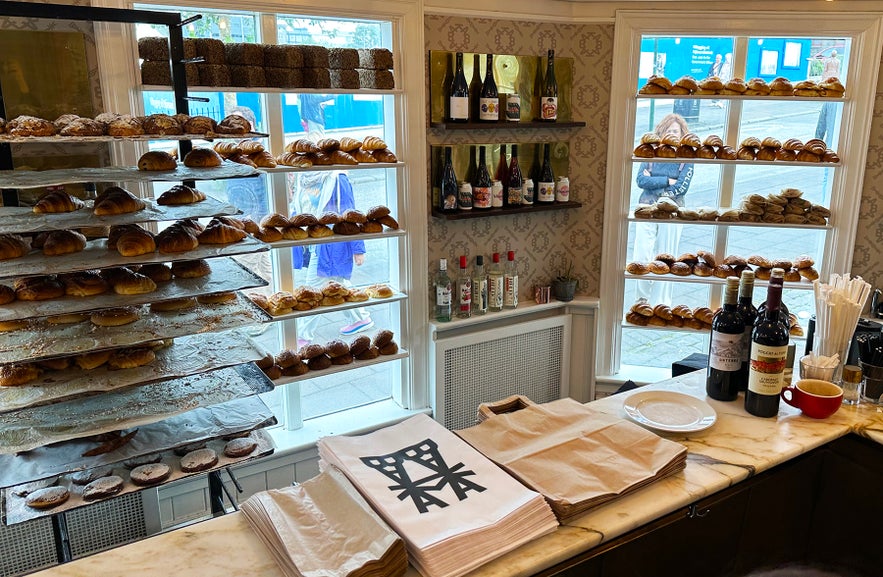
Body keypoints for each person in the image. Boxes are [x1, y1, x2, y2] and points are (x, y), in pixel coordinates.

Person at [291, 171, 373, 344]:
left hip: (332, 244)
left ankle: (302, 336)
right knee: (336, 283)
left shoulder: (337, 178)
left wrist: (358, 247)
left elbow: (350, 212)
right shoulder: (304, 177)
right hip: (314, 240)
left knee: (311, 289)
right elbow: (299, 208)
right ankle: (360, 317)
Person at [632, 113, 694, 306]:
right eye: (668, 130)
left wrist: (655, 184)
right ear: (661, 132)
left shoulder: (686, 156)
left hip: (674, 210)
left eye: (676, 131)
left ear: (683, 133)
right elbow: (641, 181)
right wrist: (667, 181)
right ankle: (642, 299)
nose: (672, 134)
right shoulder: (650, 153)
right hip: (646, 207)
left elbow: (683, 186)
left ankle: (661, 303)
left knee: (667, 256)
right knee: (641, 255)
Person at [815, 50, 842, 141]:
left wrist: (817, 142)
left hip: (830, 145)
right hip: (833, 75)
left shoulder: (829, 101)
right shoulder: (837, 62)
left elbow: (820, 127)